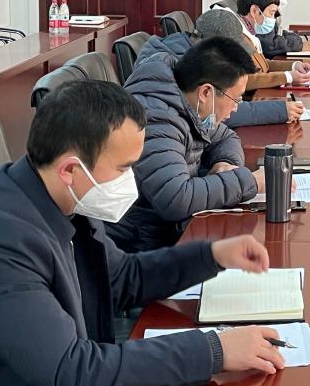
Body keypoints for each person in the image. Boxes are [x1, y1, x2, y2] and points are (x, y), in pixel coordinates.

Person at [0, 80, 285, 386]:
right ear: (70, 168)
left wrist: (212, 255)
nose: (132, 181)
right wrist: (214, 350)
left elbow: (122, 278)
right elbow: (73, 374)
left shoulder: (61, 195)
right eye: (124, 168)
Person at [108, 36, 265, 252]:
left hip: (172, 232)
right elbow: (176, 198)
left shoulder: (186, 101)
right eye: (235, 99)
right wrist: (250, 181)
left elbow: (226, 137)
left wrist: (225, 163)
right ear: (206, 92)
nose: (236, 107)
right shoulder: (156, 118)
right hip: (142, 246)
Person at [135, 14, 305, 124]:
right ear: (211, 45)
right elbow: (218, 113)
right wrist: (279, 111)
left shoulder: (188, 49)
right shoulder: (180, 67)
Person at [217, 0, 310, 91]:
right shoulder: (236, 36)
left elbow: (263, 65)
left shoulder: (249, 33)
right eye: (271, 13)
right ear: (254, 11)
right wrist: (288, 77)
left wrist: (295, 66)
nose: (273, 19)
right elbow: (243, 79)